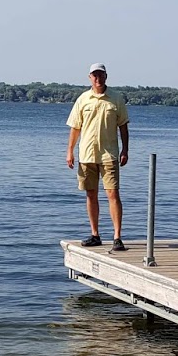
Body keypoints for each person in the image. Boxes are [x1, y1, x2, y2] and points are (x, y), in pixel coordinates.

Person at [66, 62, 130, 251]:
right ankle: (95, 234)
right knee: (91, 194)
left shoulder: (116, 99)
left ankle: (117, 237)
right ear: (90, 78)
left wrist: (125, 150)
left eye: (100, 75)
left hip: (109, 154)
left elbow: (123, 126)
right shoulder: (83, 99)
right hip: (87, 154)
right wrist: (70, 151)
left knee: (113, 194)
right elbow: (75, 127)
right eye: (94, 75)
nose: (98, 78)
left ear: (106, 76)